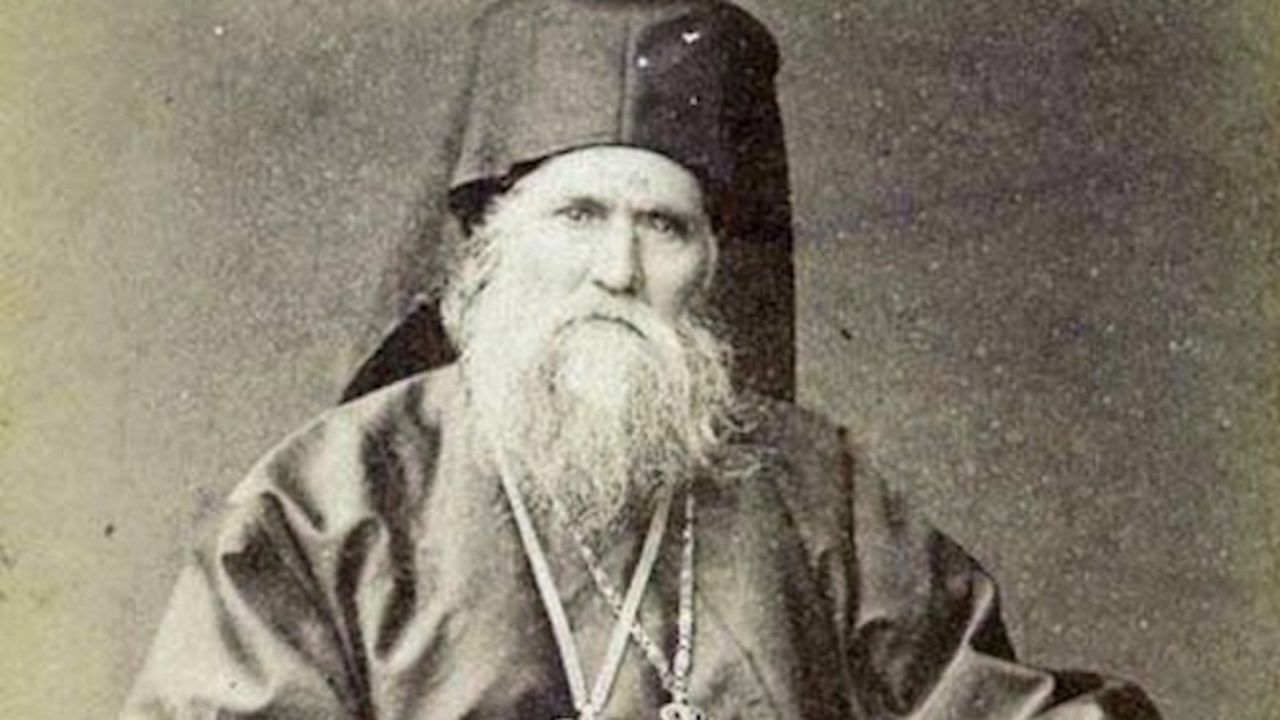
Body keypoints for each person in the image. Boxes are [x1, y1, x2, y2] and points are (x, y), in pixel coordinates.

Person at [122, 1, 1161, 718]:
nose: (616, 270)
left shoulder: (815, 490)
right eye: (577, 215)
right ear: (491, 247)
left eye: (662, 226)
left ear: (706, 264)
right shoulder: (324, 503)